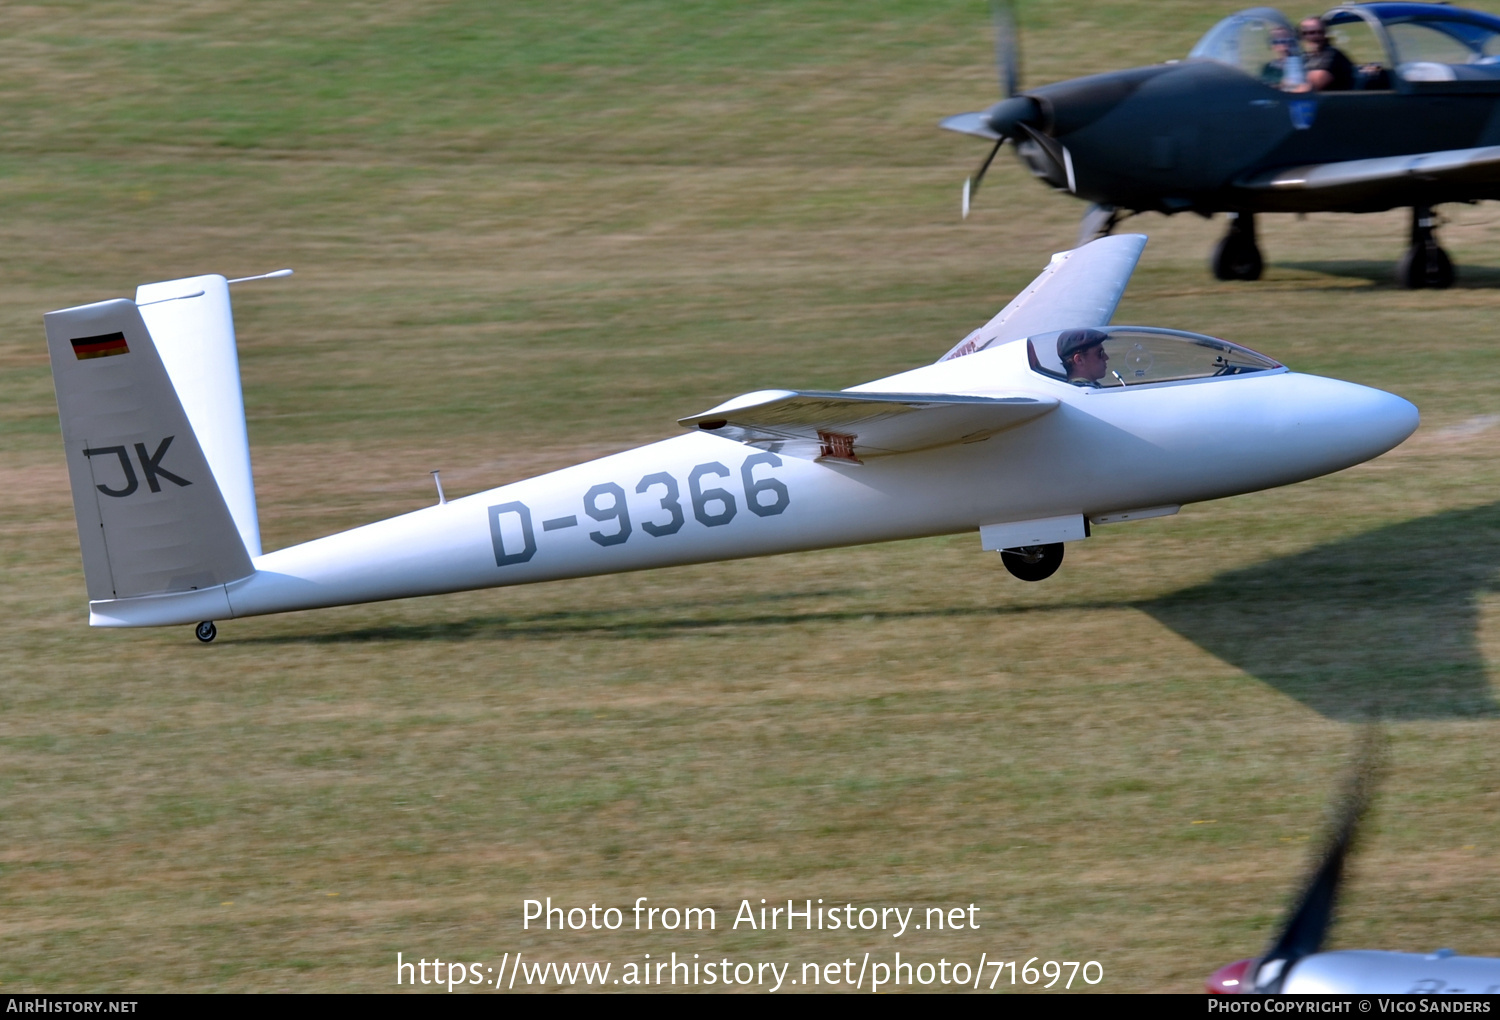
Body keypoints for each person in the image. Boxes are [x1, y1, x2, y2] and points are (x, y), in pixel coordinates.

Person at [1298, 17, 1355, 91]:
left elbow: (1311, 86)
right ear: (1302, 36)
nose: (1315, 36)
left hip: (1337, 101)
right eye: (1310, 33)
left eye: (1320, 32)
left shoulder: (1332, 55)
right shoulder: (1305, 56)